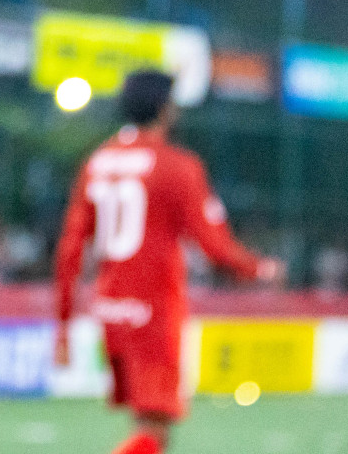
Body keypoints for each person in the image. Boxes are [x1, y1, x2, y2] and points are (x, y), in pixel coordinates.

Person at [53, 70, 283, 454]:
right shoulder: (177, 166)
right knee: (154, 432)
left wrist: (63, 325)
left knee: (150, 427)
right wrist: (260, 269)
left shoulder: (99, 162)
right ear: (166, 109)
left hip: (111, 312)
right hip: (153, 312)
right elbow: (214, 245)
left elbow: (70, 249)